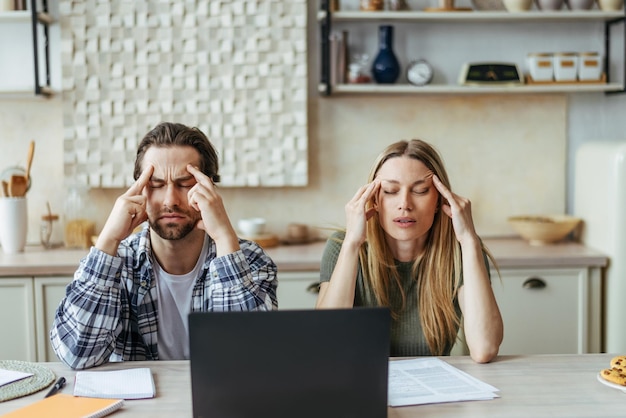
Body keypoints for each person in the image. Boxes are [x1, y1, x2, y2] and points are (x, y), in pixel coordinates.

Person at [50, 122, 278, 370]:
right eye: (156, 185)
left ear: (210, 188)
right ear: (139, 190)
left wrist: (224, 237)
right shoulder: (118, 261)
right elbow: (77, 355)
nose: (170, 201)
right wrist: (108, 240)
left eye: (185, 184)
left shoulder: (250, 260)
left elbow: (251, 361)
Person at [316, 139, 503, 363]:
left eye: (421, 191)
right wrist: (352, 244)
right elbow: (325, 343)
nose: (404, 204)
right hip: (360, 386)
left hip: (434, 388)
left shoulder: (461, 250)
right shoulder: (341, 246)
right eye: (391, 191)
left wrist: (469, 240)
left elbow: (485, 348)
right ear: (374, 197)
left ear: (439, 200)